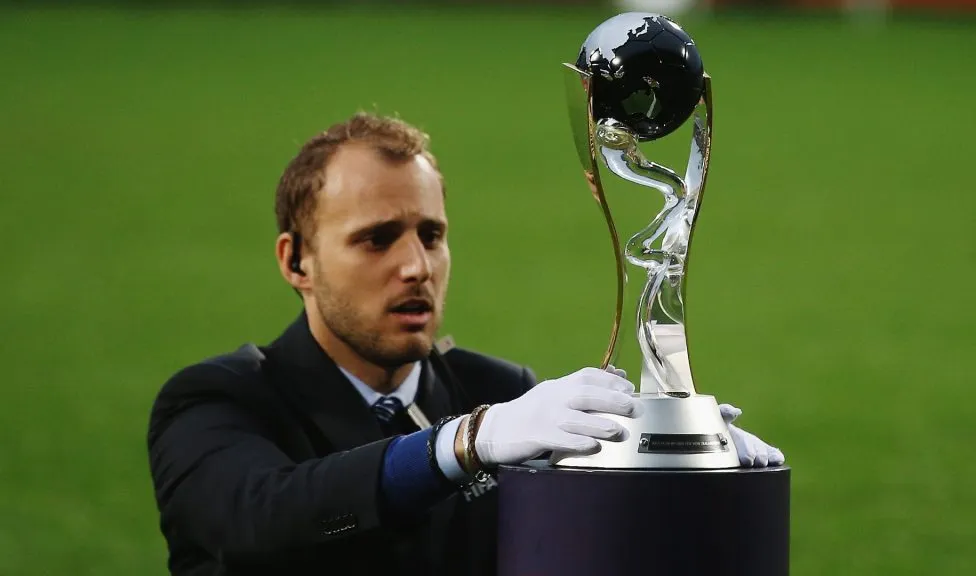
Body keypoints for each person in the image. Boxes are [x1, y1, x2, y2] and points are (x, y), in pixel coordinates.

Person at [146, 112, 784, 576]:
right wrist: (460, 443)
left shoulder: (503, 394)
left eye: (431, 234)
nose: (416, 266)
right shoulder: (216, 402)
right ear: (297, 262)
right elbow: (258, 524)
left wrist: (679, 462)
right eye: (377, 239)